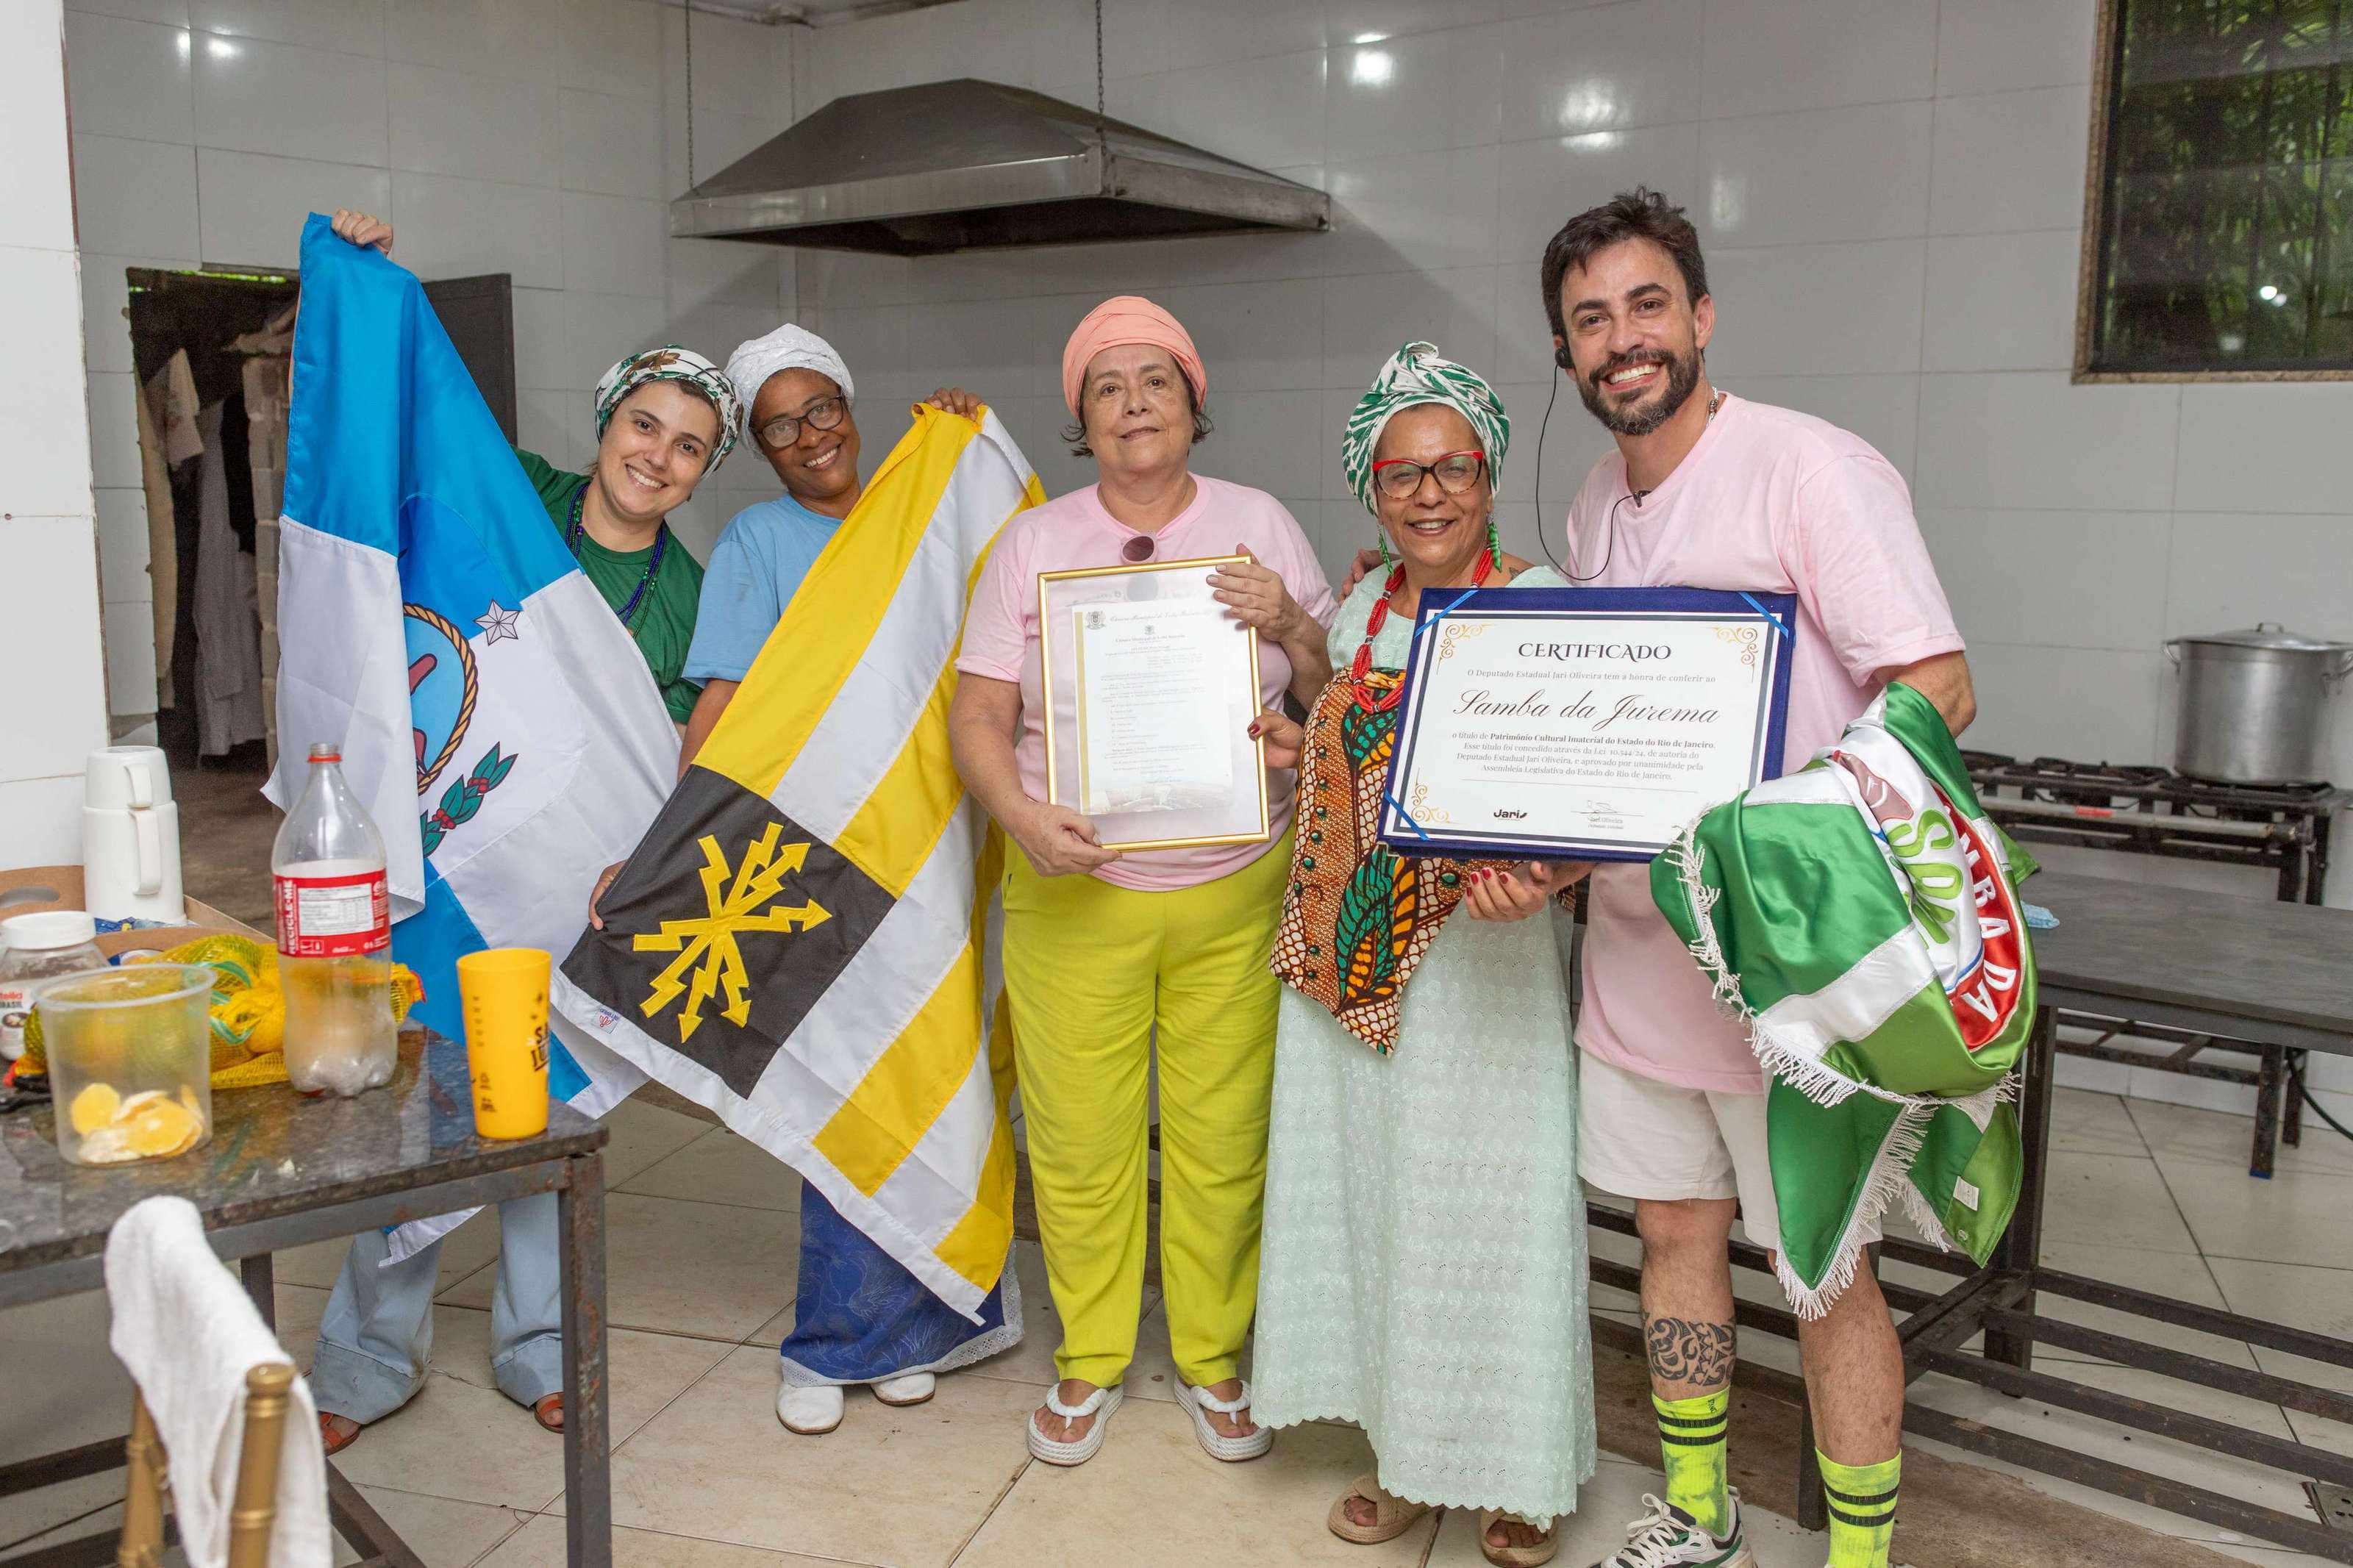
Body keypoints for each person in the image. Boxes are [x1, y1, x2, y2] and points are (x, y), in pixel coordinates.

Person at [1545, 190, 1972, 1568]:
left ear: (1702, 315)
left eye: (1647, 304)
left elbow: (1937, 690)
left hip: (1791, 972)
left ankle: (1858, 1557)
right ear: (1566, 353)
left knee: (1825, 1271)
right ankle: (1699, 1509)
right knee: (1672, 1231)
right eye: (1591, 319)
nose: (1624, 339)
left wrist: (1770, 842)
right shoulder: (1594, 504)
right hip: (1639, 960)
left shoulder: (1808, 470)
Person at [309, 209, 740, 1453]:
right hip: (445, 853)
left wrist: (640, 866)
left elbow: (681, 760)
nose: (659, 457)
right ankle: (363, 1359)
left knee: (547, 1101)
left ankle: (540, 1344)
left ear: (704, 472)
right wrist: (365, 281)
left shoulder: (691, 598)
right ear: (607, 420)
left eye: (690, 447)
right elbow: (411, 437)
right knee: (414, 1095)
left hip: (569, 887)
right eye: (645, 425)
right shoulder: (516, 499)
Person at [948, 296, 1336, 1467]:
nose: (1133, 406)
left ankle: (1214, 1356)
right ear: (1082, 416)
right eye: (1106, 387)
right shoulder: (1033, 542)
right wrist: (1020, 816)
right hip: (1074, 888)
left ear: (1192, 400)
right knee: (1079, 1137)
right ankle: (1091, 1355)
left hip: (1235, 888)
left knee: (1224, 1134)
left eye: (1154, 380)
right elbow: (978, 713)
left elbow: (1330, 696)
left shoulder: (1258, 523)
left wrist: (1293, 624)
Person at [616, 321, 1022, 1439]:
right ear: (760, 448)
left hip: (931, 845)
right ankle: (838, 1337)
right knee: (841, 1075)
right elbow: (725, 697)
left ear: (850, 403)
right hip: (817, 855)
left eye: (821, 409)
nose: (809, 436)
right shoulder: (758, 539)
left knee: (929, 1066)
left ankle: (918, 1325)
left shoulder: (922, 507)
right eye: (778, 427)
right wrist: (673, 839)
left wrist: (968, 444)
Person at [1250, 343, 1596, 1568]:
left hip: (1485, 964)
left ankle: (1515, 1466)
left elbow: (1586, 783)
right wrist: (1303, 746)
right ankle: (1403, 1452)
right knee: (1382, 1199)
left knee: (1495, 1207)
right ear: (1375, 490)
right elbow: (1355, 745)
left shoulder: (1544, 603)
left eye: (1453, 468)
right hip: (1353, 968)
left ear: (1489, 475)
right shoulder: (1362, 609)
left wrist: (1546, 874)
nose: (1429, 492)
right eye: (1402, 473)